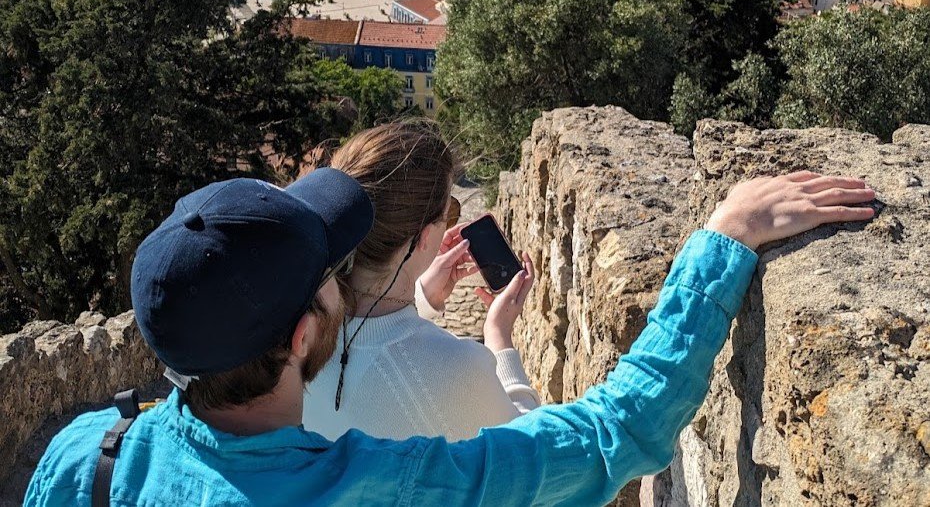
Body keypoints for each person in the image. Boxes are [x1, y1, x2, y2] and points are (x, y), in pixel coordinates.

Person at [25, 167, 876, 507]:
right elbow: (620, 430)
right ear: (301, 332)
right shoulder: (390, 486)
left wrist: (421, 313)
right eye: (333, 268)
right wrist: (722, 241)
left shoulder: (85, 458)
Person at [302, 121, 540, 443]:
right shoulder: (460, 371)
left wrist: (423, 298)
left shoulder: (296, 328)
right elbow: (525, 451)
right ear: (426, 236)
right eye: (450, 213)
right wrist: (499, 337)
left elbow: (373, 345)